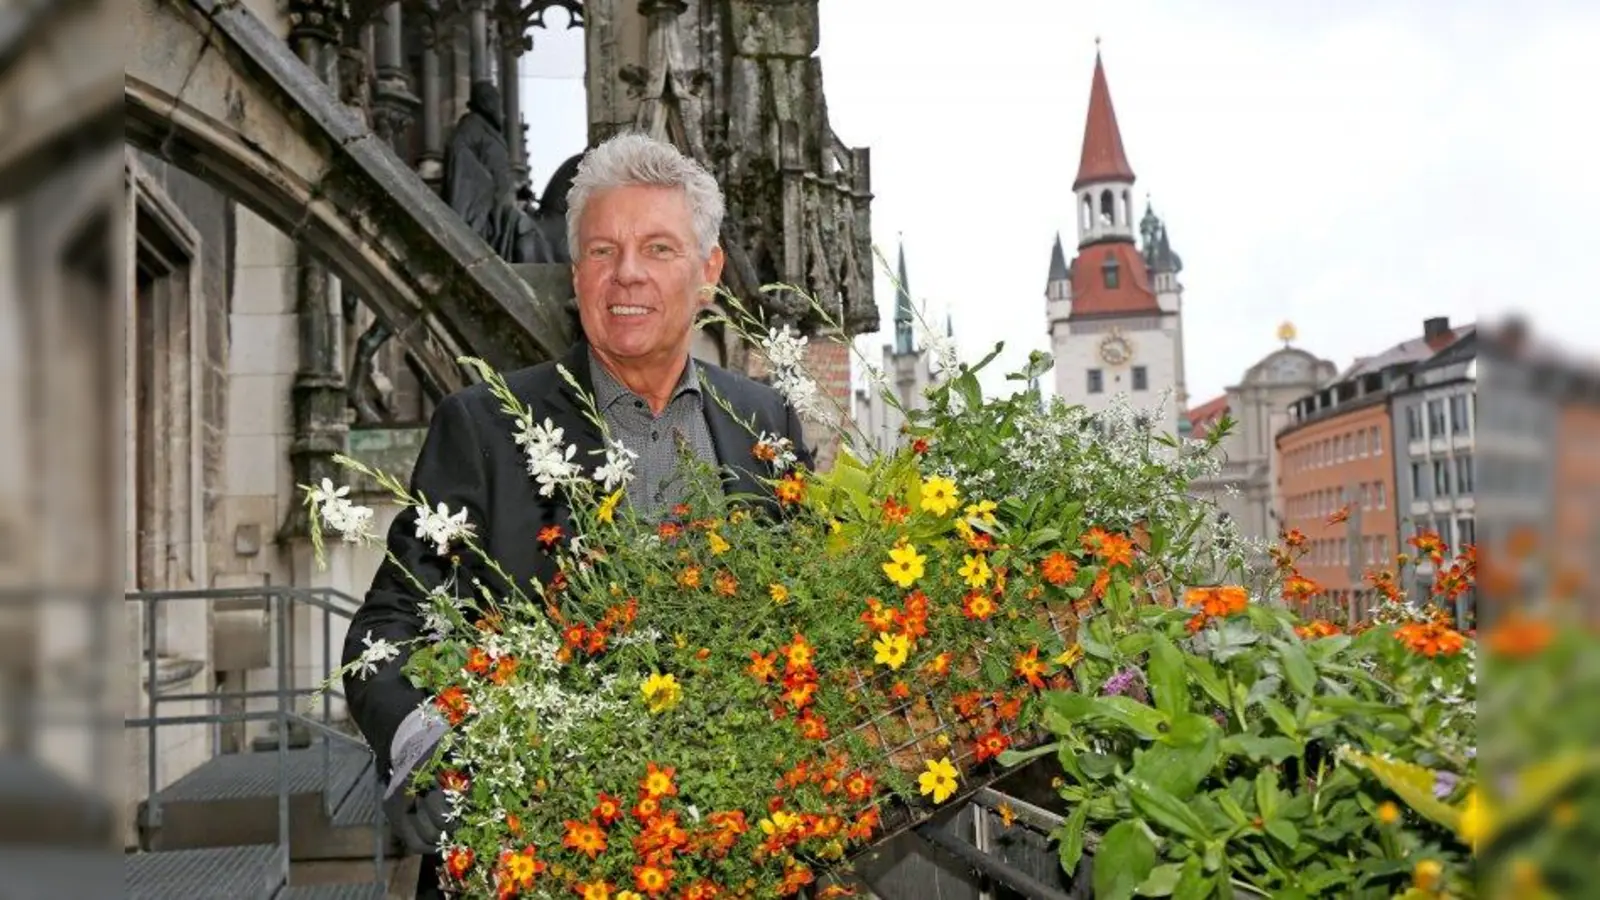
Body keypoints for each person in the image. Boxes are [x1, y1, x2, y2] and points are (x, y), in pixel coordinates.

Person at [341, 131, 812, 898]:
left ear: (709, 272)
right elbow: (389, 623)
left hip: (731, 853)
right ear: (576, 273)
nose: (626, 274)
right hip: (536, 857)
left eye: (658, 248)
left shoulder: (765, 420)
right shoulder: (484, 424)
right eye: (602, 251)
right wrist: (424, 745)